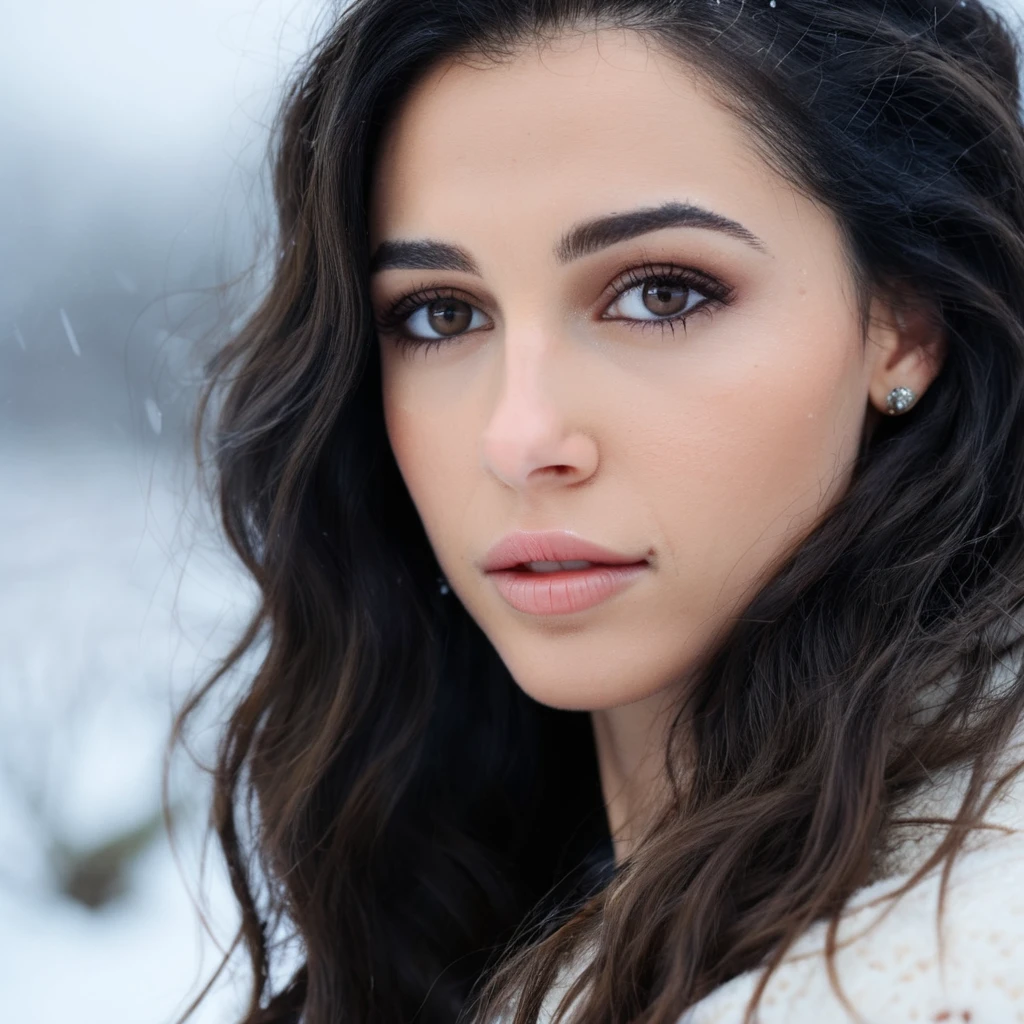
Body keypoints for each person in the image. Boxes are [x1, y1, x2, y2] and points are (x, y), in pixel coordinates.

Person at [171, 0, 1024, 1021]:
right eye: (441, 312)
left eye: (660, 294)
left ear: (904, 326)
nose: (519, 438)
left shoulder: (949, 968)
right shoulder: (469, 875)